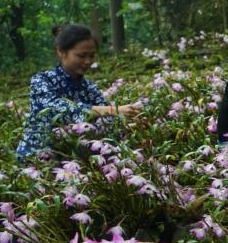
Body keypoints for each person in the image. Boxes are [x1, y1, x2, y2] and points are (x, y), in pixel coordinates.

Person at [16, 24, 139, 161]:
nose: (88, 61)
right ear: (61, 52)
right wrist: (113, 110)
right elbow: (59, 109)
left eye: (92, 56)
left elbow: (106, 121)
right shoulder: (42, 81)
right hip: (38, 158)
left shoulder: (89, 87)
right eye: (81, 56)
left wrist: (129, 125)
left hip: (75, 159)